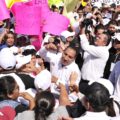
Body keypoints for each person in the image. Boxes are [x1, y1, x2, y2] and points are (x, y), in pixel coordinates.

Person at [79, 27, 110, 93]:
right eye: (97, 36)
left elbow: (85, 47)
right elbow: (84, 56)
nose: (96, 38)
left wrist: (82, 33)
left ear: (104, 43)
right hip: (83, 82)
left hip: (91, 84)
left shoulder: (103, 51)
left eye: (99, 38)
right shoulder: (94, 48)